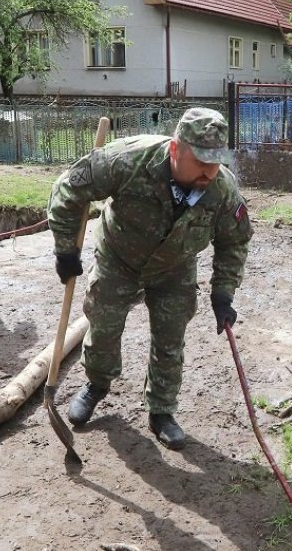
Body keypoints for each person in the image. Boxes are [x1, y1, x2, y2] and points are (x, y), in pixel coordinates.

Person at [47, 107, 252, 450]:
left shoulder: (222, 190)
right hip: (119, 256)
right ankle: (96, 384)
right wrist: (65, 249)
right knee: (104, 325)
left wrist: (223, 294)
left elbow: (235, 240)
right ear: (175, 149)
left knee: (170, 339)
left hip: (175, 266)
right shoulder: (129, 159)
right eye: (200, 162)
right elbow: (68, 189)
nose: (208, 172)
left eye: (215, 162)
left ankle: (161, 411)